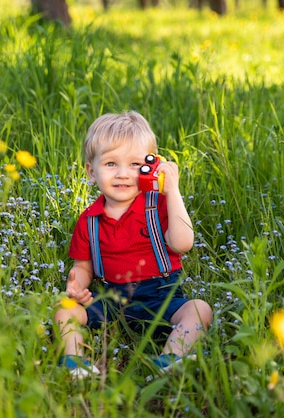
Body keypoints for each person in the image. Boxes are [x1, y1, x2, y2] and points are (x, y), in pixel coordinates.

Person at [54, 110, 213, 379]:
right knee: (63, 310)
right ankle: (74, 360)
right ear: (91, 172)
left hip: (161, 298)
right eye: (111, 164)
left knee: (200, 309)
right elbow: (83, 266)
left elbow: (183, 244)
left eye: (135, 164)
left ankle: (171, 358)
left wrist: (171, 190)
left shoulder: (158, 206)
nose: (123, 174)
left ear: (152, 167)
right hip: (112, 300)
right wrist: (77, 286)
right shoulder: (89, 220)